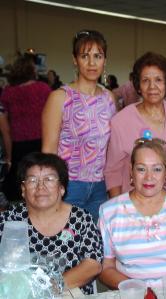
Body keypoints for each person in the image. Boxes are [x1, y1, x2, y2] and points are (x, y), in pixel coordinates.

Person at [99, 138, 166, 289]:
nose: (149, 177)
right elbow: (106, 267)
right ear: (131, 170)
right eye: (141, 169)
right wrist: (138, 290)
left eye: (157, 169)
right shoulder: (109, 212)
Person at [0, 152, 103, 295]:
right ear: (23, 189)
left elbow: (93, 265)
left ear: (61, 188)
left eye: (49, 179)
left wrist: (47, 290)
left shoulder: (81, 219)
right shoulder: (9, 220)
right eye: (32, 180)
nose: (40, 187)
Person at [42, 29, 116, 221]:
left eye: (97, 56)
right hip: (68, 186)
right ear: (75, 60)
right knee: (65, 244)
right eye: (85, 56)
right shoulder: (60, 97)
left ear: (105, 60)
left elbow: (111, 147)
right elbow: (48, 150)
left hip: (100, 186)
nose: (92, 63)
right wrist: (52, 188)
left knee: (94, 246)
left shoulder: (109, 98)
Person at [104, 51, 166, 198]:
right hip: (136, 209)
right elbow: (112, 171)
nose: (152, 86)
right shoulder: (121, 121)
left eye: (158, 80)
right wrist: (118, 207)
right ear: (138, 86)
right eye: (145, 80)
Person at [1, 54, 51, 201]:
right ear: (32, 71)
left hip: (18, 144)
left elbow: (5, 128)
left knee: (21, 183)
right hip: (41, 141)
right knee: (42, 179)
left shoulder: (8, 92)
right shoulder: (44, 89)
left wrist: (8, 156)